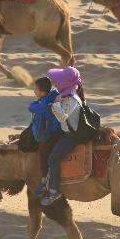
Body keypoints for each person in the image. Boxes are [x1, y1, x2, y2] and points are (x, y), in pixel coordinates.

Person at [36, 67, 84, 205]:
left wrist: (55, 104)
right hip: (65, 131)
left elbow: (62, 116)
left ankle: (54, 190)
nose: (55, 84)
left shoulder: (71, 99)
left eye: (57, 81)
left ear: (65, 83)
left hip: (71, 136)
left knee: (53, 159)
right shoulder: (66, 95)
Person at [28, 77, 61, 194]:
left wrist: (35, 104)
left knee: (44, 153)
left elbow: (32, 107)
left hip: (52, 133)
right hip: (58, 130)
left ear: (42, 92)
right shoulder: (54, 94)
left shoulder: (45, 103)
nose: (34, 91)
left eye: (35, 89)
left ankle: (44, 181)